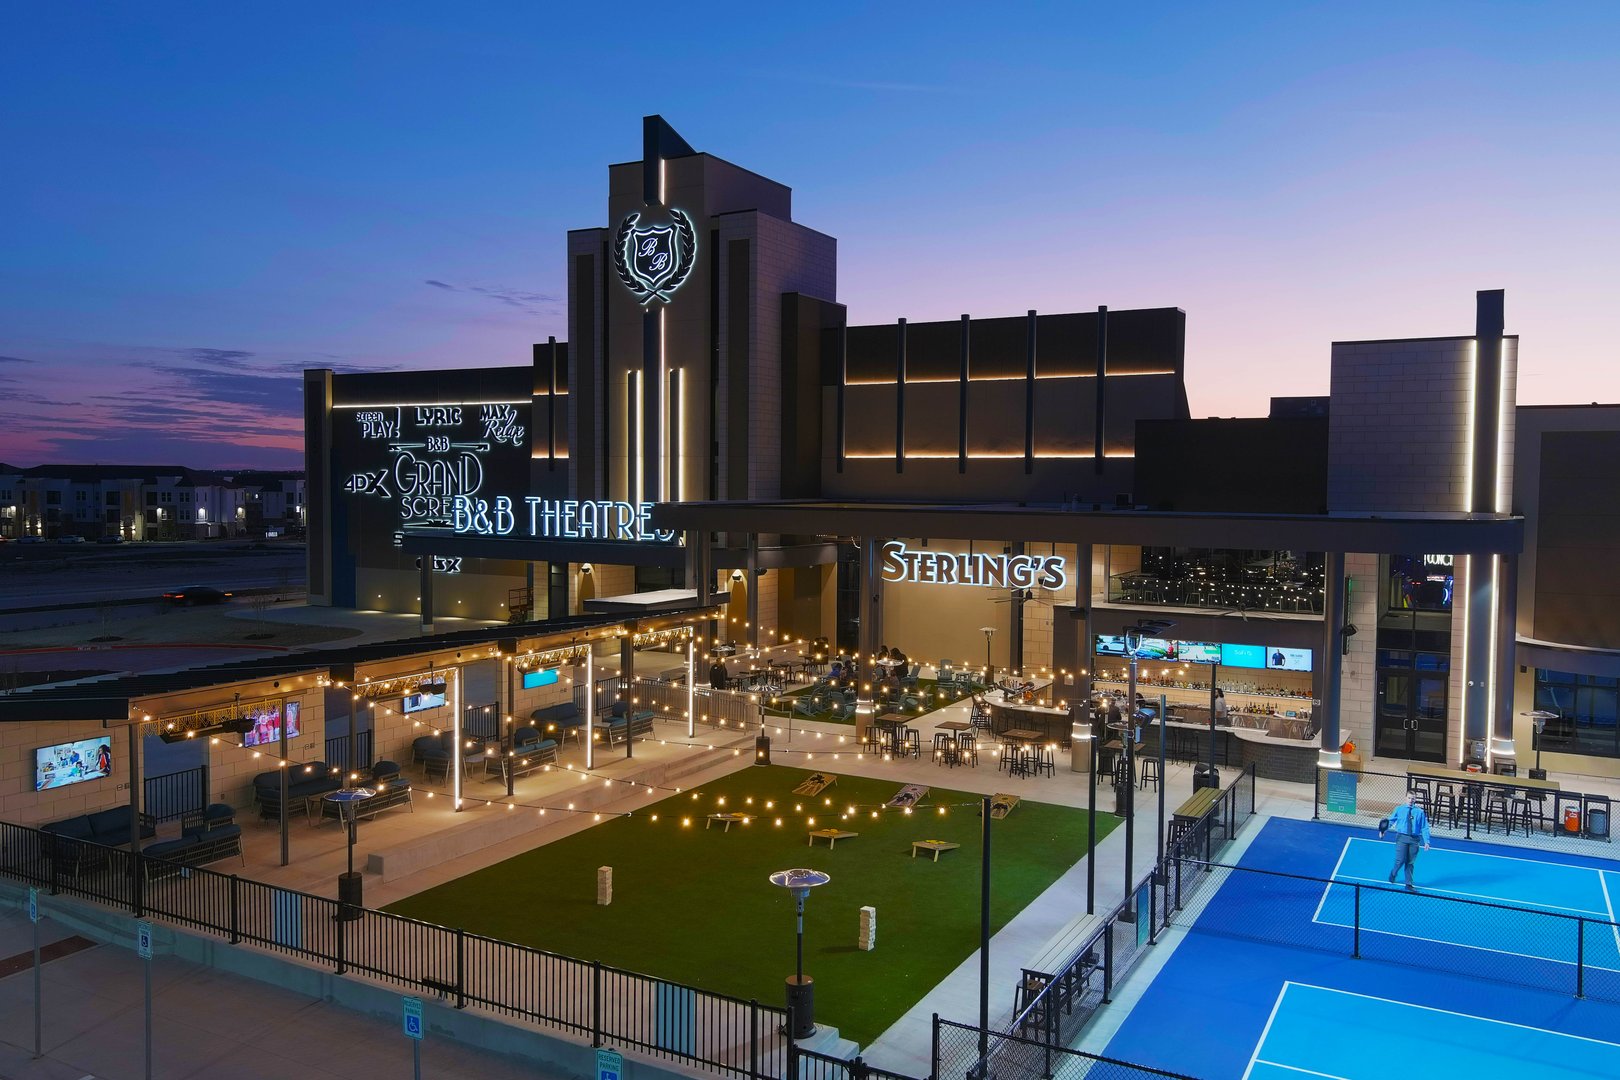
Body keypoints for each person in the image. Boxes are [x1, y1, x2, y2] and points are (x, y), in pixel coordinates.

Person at [1383, 791, 1433, 891]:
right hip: (1401, 837)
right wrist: (1384, 829)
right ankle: (1393, 873)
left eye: (1413, 798)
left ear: (1415, 800)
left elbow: (1424, 827)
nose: (1411, 800)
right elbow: (1391, 820)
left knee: (1410, 862)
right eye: (1409, 798)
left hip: (1414, 840)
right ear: (1406, 798)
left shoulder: (1420, 812)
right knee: (1400, 860)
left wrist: (1427, 841)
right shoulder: (1399, 809)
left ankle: (1408, 884)